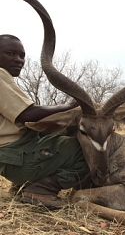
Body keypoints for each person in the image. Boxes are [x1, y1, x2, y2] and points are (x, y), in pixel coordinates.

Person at [0, 34, 90, 208]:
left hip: (13, 156)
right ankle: (40, 190)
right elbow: (28, 114)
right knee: (85, 152)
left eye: (22, 55)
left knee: (61, 134)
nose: (18, 60)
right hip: (15, 155)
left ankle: (22, 185)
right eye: (10, 54)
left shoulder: (7, 80)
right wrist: (67, 106)